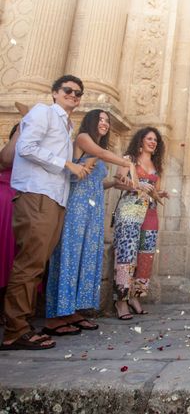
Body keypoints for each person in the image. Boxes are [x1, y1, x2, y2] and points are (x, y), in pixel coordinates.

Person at [1, 75, 91, 350]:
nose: (73, 96)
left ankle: (22, 324)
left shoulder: (66, 126)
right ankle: (15, 330)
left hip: (54, 198)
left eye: (78, 93)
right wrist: (65, 163)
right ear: (54, 92)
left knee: (37, 263)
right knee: (29, 263)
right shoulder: (43, 113)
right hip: (37, 195)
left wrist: (76, 171)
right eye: (68, 90)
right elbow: (26, 149)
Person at [44, 110, 134, 335]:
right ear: (92, 122)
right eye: (101, 120)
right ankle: (56, 315)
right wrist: (127, 163)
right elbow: (101, 153)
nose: (104, 123)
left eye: (107, 121)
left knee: (86, 256)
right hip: (76, 206)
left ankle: (72, 310)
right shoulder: (84, 138)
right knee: (70, 255)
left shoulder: (97, 150)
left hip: (93, 209)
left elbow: (96, 182)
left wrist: (114, 182)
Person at [112, 127, 167, 320]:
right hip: (130, 209)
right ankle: (121, 300)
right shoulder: (129, 159)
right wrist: (136, 185)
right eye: (149, 139)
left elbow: (154, 191)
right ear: (140, 140)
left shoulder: (155, 165)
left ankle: (135, 296)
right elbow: (117, 182)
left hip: (150, 213)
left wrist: (159, 194)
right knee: (127, 254)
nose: (153, 142)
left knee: (146, 255)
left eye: (155, 140)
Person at [0, 124, 19, 318]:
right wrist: (21, 130)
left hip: (27, 199)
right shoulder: (12, 147)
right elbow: (5, 160)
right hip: (6, 200)